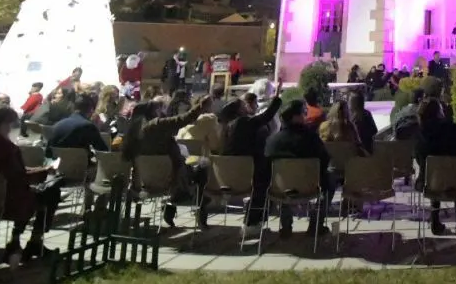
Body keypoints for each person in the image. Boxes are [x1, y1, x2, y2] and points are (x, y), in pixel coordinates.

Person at [0, 105, 61, 263]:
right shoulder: (6, 148)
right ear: (4, 124)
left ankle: (17, 242)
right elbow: (18, 177)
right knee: (51, 192)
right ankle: (30, 241)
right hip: (8, 201)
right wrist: (44, 172)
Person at [121, 94, 211, 226]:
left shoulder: (132, 132)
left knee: (184, 166)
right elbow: (183, 119)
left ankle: (178, 203)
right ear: (153, 112)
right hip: (169, 180)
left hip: (142, 182)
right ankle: (196, 204)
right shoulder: (156, 125)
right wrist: (201, 106)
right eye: (159, 109)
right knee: (203, 165)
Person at [263, 100, 331, 238]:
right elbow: (325, 160)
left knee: (278, 179)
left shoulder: (273, 141)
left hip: (281, 189)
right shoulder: (312, 139)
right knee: (329, 180)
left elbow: (266, 164)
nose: (306, 115)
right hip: (310, 187)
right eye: (304, 112)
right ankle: (315, 225)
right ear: (296, 117)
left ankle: (286, 226)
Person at [220, 87, 282, 230]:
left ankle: (255, 221)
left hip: (228, 174)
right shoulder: (243, 122)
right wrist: (276, 98)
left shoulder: (227, 126)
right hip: (246, 173)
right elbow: (266, 116)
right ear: (239, 110)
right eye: (243, 105)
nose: (246, 106)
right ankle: (253, 221)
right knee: (266, 180)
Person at [415, 96, 456, 236]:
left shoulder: (420, 136)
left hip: (431, 182)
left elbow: (418, 159)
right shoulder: (453, 129)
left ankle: (435, 221)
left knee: (435, 175)